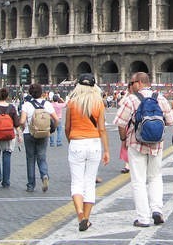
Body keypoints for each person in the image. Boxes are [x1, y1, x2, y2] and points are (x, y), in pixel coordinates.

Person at [114, 72, 173, 226]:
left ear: (140, 82)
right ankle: (157, 210)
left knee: (139, 181)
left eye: (132, 82)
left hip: (136, 144)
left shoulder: (131, 99)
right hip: (156, 145)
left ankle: (143, 218)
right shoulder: (160, 98)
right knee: (155, 177)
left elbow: (120, 123)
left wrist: (124, 138)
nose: (131, 85)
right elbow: (170, 121)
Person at [65, 73, 110, 232]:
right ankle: (87, 218)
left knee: (76, 183)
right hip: (94, 144)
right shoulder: (99, 103)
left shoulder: (71, 103)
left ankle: (80, 215)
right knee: (89, 183)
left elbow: (67, 128)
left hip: (76, 142)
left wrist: (72, 141)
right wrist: (106, 150)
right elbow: (102, 129)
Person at [18, 84, 59, 193]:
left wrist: (23, 128)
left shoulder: (26, 104)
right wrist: (51, 130)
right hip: (43, 133)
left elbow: (22, 121)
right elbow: (56, 119)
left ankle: (31, 185)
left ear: (30, 93)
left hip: (29, 133)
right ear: (41, 92)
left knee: (30, 159)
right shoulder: (47, 104)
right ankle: (44, 175)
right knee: (42, 157)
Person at [0, 88, 21, 188]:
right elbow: (16, 123)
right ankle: (6, 181)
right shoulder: (12, 107)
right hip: (9, 135)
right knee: (7, 156)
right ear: (7, 97)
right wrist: (19, 135)